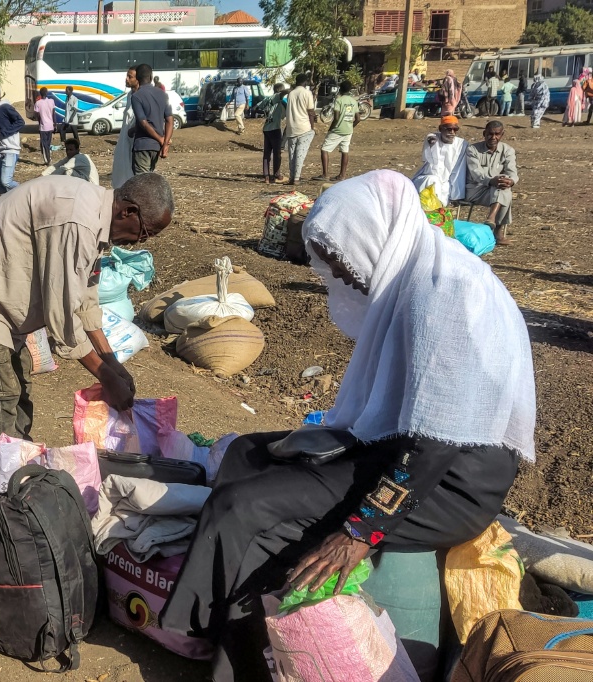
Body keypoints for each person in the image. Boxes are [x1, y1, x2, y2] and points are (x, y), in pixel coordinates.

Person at [161, 169, 536, 682]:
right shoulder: (422, 272)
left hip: (449, 486)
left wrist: (360, 531)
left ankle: (222, 645)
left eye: (340, 257)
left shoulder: (446, 291)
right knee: (247, 452)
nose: (340, 272)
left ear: (373, 236)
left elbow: (437, 440)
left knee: (246, 505)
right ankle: (214, 619)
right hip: (409, 454)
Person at [0, 172, 175, 494]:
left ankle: (20, 483)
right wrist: (105, 377)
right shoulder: (78, 223)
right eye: (145, 233)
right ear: (128, 211)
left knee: (18, 394)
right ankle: (6, 508)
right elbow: (62, 318)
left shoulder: (97, 219)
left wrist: (113, 363)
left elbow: (85, 298)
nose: (141, 242)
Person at [466, 120, 517, 244]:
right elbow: (476, 173)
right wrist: (490, 180)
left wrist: (510, 181)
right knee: (503, 190)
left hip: (496, 190)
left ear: (502, 134)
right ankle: (497, 232)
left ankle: (491, 218)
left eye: (497, 134)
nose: (493, 137)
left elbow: (512, 172)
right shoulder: (473, 149)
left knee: (504, 187)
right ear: (484, 134)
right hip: (476, 190)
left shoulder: (508, 150)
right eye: (490, 134)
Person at [412, 115, 468, 205]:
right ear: (440, 129)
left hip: (446, 184)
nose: (452, 132)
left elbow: (459, 172)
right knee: (433, 181)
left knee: (440, 200)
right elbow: (430, 162)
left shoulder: (461, 144)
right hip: (427, 178)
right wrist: (432, 142)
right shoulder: (433, 139)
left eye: (455, 129)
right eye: (449, 129)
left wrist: (457, 196)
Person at [129, 63, 173, 175]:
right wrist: (165, 143)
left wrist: (161, 140)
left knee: (142, 182)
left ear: (137, 78)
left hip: (142, 145)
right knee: (149, 180)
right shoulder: (163, 94)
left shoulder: (136, 96)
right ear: (151, 77)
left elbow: (143, 123)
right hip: (156, 148)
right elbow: (169, 120)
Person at [313, 80, 359, 182]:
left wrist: (331, 128)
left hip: (337, 129)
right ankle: (342, 175)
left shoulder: (339, 100)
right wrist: (351, 126)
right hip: (348, 130)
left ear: (340, 89)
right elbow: (358, 118)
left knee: (324, 149)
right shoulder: (354, 101)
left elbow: (336, 118)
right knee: (345, 151)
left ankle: (325, 174)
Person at [0, 83, 24, 195]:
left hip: (9, 150)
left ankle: (24, 191)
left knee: (6, 182)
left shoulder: (6, 107)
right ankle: (4, 203)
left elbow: (20, 122)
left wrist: (2, 134)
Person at [285, 73, 316, 185]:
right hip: (304, 127)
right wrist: (312, 127)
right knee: (300, 154)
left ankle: (292, 177)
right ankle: (297, 178)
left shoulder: (291, 94)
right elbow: (311, 111)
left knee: (292, 154)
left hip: (291, 127)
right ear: (305, 82)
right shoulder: (307, 93)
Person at [111, 67, 139, 190]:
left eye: (130, 77)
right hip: (125, 140)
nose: (126, 79)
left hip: (136, 142)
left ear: (138, 79)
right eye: (127, 76)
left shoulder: (141, 96)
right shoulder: (129, 95)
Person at [256, 82, 287, 183]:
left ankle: (266, 175)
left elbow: (257, 107)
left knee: (267, 153)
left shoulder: (267, 99)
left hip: (267, 128)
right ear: (279, 90)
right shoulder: (277, 97)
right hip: (275, 128)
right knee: (277, 153)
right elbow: (283, 93)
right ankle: (276, 174)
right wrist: (292, 90)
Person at [34, 86, 55, 165]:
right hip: (50, 126)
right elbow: (53, 113)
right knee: (48, 143)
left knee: (44, 144)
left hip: (43, 127)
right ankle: (48, 158)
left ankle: (47, 160)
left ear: (40, 93)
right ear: (47, 93)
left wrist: (40, 122)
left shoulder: (38, 103)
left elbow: (37, 115)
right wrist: (55, 124)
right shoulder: (51, 101)